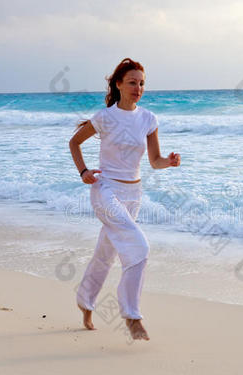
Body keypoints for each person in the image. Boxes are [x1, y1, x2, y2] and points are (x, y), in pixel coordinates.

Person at [69, 58, 181, 341]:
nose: (138, 88)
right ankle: (132, 316)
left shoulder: (148, 119)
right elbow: (75, 142)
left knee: (105, 253)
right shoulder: (105, 117)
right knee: (139, 247)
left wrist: (169, 161)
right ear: (118, 84)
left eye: (141, 83)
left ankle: (85, 302)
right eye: (132, 82)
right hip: (105, 191)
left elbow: (154, 161)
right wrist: (83, 171)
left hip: (133, 194)